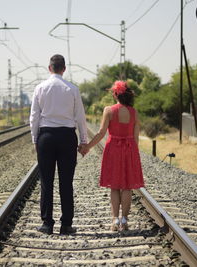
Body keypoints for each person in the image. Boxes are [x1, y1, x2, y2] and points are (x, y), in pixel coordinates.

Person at [30, 54, 88, 235]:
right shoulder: (72, 89)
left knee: (46, 181)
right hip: (67, 137)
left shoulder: (40, 88)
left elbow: (34, 117)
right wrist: (84, 140)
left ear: (50, 68)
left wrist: (35, 139)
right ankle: (66, 225)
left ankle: (47, 224)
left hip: (46, 137)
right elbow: (80, 117)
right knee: (66, 182)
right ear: (64, 69)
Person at [80, 80, 144, 231]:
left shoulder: (108, 110)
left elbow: (101, 133)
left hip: (113, 149)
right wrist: (134, 158)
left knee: (115, 187)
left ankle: (115, 220)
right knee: (127, 187)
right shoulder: (134, 113)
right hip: (129, 150)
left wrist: (87, 147)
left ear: (116, 95)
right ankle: (125, 221)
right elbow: (136, 139)